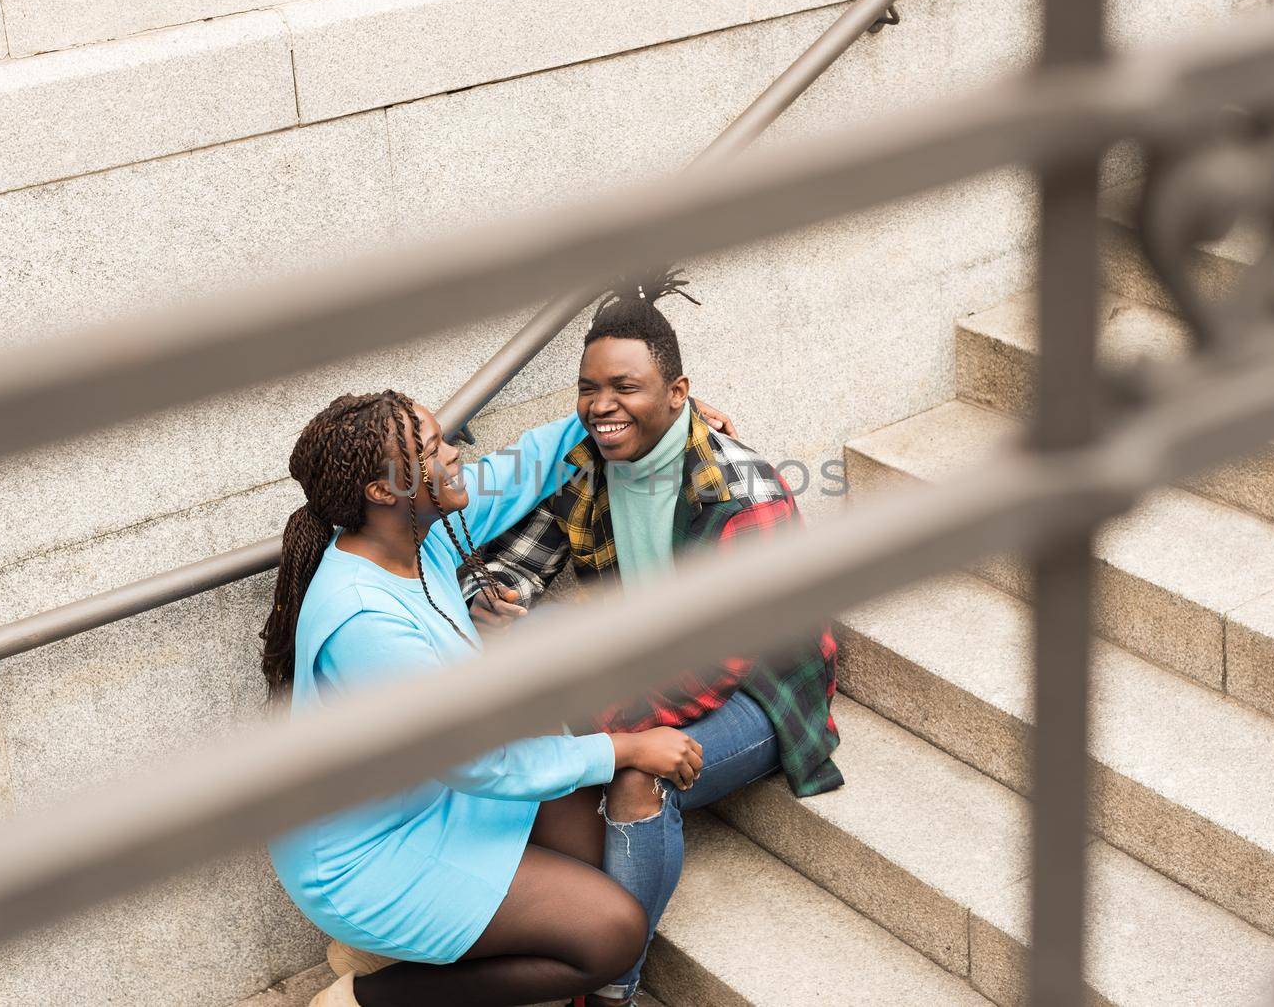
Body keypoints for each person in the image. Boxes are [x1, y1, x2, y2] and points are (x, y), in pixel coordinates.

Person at [467, 267, 844, 1006]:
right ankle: (541, 921)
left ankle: (610, 986)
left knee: (638, 778)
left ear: (678, 393)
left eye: (625, 387)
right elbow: (519, 564)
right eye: (588, 387)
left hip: (762, 689)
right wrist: (496, 600)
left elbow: (725, 660)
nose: (601, 406)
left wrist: (605, 735)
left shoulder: (741, 493)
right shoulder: (591, 467)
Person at [260, 389, 706, 1007]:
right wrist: (625, 747)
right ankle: (369, 995)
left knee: (595, 847)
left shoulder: (419, 539)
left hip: (436, 794)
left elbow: (522, 467)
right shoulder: (364, 619)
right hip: (365, 857)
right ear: (383, 491)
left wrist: (646, 410)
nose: (456, 455)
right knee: (612, 934)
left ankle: (433, 941)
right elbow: (482, 764)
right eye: (435, 449)